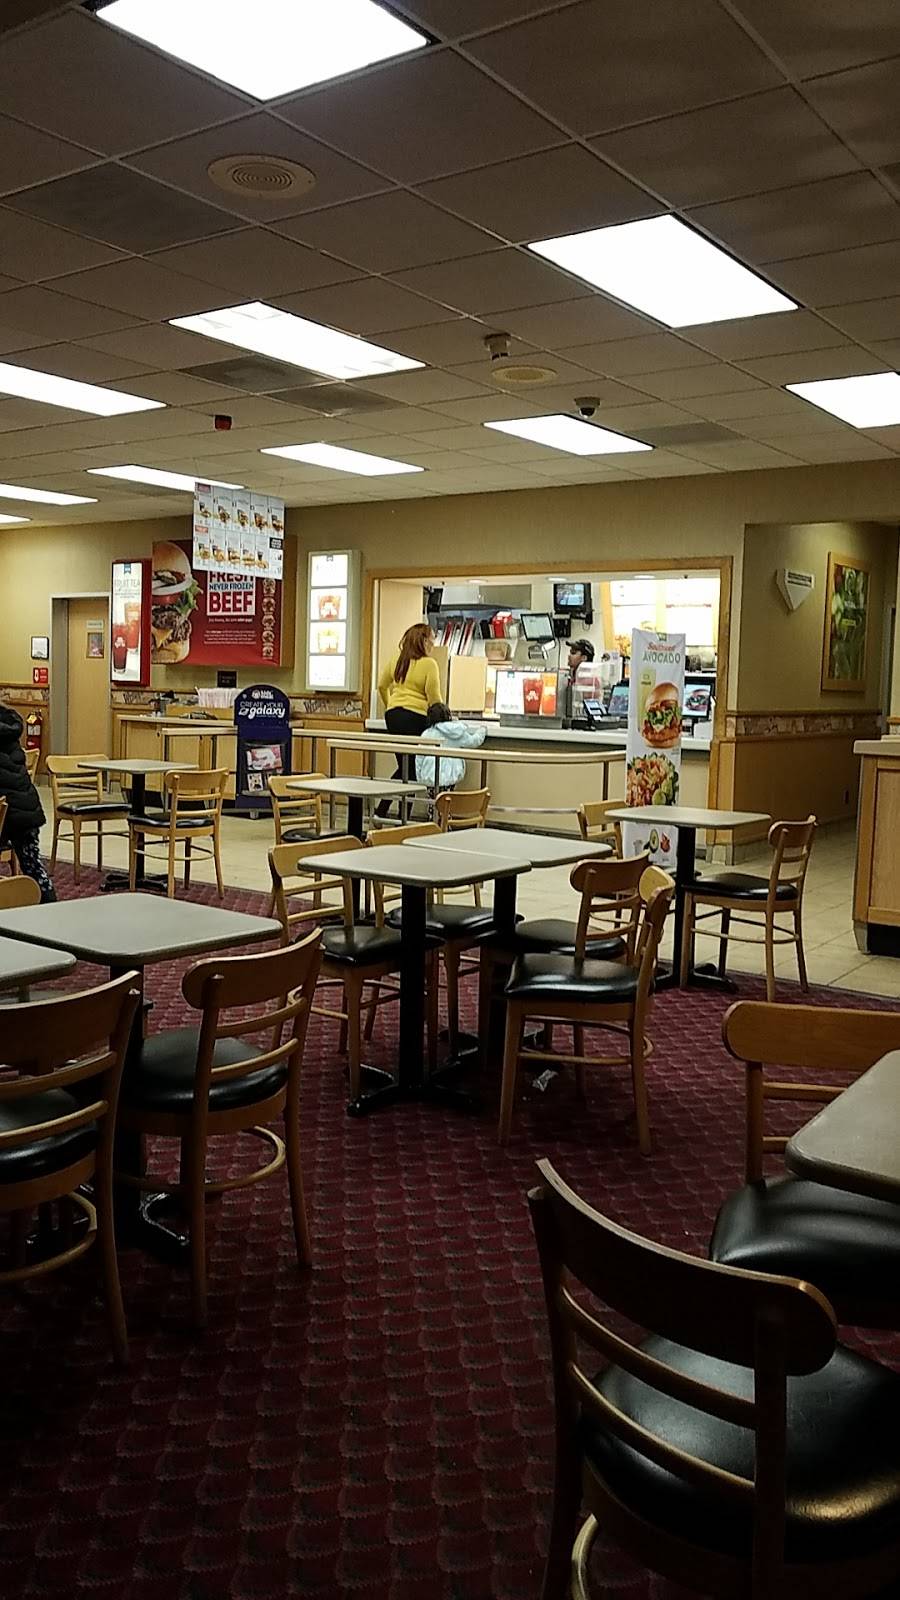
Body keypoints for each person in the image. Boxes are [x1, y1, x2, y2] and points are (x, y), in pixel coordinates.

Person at [375, 623, 442, 815]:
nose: (433, 645)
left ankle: (387, 812)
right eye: (431, 640)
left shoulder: (396, 660)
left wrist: (390, 704)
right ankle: (397, 816)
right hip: (415, 718)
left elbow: (381, 686)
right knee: (410, 769)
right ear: (423, 641)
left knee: (405, 767)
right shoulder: (429, 664)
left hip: (393, 717)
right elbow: (434, 699)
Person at [0, 704, 56, 901]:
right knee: (34, 867)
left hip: (7, 817)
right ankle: (49, 903)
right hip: (27, 813)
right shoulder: (8, 728)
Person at [414, 702, 486, 791]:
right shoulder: (456, 731)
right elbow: (474, 741)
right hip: (452, 774)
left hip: (430, 775)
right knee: (448, 798)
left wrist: (419, 777)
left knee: (435, 798)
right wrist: (482, 730)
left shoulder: (427, 734)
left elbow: (419, 757)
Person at [566, 637, 603, 716]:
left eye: (573, 653)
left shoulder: (591, 680)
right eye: (570, 652)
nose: (569, 656)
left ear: (584, 658)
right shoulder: (572, 676)